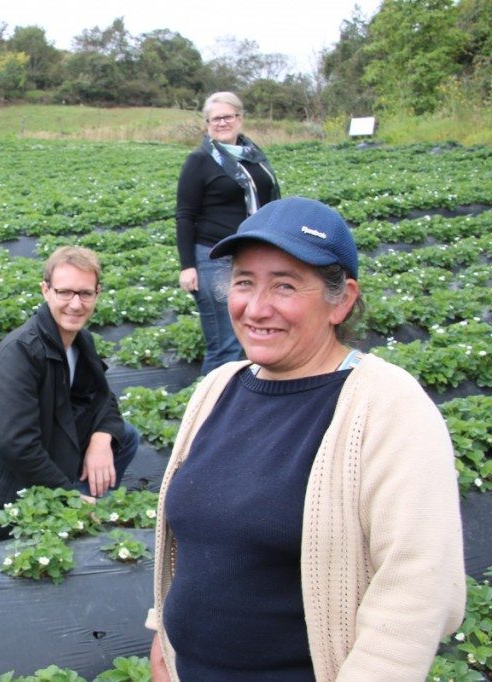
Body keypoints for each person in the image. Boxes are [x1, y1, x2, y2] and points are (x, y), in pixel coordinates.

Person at [148, 197, 465, 681]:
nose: (256, 308)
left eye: (285, 286)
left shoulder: (386, 405)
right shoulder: (217, 388)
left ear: (342, 299)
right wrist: (162, 640)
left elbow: (419, 591)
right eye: (244, 282)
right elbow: (192, 550)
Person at [0, 246, 141, 515]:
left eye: (85, 293)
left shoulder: (80, 341)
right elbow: (17, 444)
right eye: (64, 292)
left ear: (97, 293)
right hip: (7, 497)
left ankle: (90, 511)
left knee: (125, 435)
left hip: (50, 452)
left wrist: (101, 439)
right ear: (45, 290)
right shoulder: (20, 353)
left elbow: (101, 396)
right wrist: (68, 494)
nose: (75, 304)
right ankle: (80, 510)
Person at [176, 91, 280, 374]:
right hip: (214, 257)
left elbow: (269, 199)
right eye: (215, 118)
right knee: (225, 342)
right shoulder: (199, 160)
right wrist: (188, 266)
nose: (222, 123)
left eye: (228, 116)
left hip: (251, 256)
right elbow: (185, 215)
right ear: (207, 123)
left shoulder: (253, 156)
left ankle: (240, 402)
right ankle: (211, 408)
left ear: (239, 119)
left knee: (248, 335)